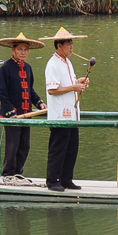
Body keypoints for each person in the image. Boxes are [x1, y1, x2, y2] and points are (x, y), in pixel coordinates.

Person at [42, 26, 90, 191]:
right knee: (58, 149)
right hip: (59, 115)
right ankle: (52, 180)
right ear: (59, 45)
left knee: (71, 149)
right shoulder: (53, 64)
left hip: (71, 114)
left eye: (71, 44)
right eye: (68, 44)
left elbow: (69, 83)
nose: (71, 47)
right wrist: (73, 87)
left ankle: (66, 179)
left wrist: (80, 81)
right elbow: (52, 90)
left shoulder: (68, 62)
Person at [0, 32, 46, 182]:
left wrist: (39, 103)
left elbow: (30, 90)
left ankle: (18, 173)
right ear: (13, 50)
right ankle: (8, 175)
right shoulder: (5, 68)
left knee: (25, 146)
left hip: (26, 114)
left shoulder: (28, 68)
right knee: (13, 145)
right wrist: (11, 111)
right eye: (20, 49)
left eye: (26, 50)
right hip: (11, 115)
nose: (23, 53)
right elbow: (1, 92)